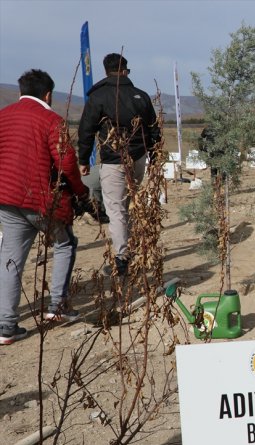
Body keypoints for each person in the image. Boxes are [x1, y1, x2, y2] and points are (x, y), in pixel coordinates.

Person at [0, 69, 89, 345]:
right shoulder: (52, 120)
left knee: (10, 260)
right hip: (40, 200)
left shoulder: (3, 117)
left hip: (7, 197)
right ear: (48, 94)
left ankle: (5, 326)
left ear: (20, 91)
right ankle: (58, 307)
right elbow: (67, 162)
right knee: (65, 243)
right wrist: (80, 191)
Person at [77, 53, 160, 277]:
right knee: (130, 203)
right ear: (125, 70)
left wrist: (83, 160)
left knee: (116, 209)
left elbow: (86, 130)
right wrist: (154, 158)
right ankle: (132, 248)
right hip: (139, 158)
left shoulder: (98, 97)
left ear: (106, 71)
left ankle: (122, 258)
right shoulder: (140, 96)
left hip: (114, 161)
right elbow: (154, 130)